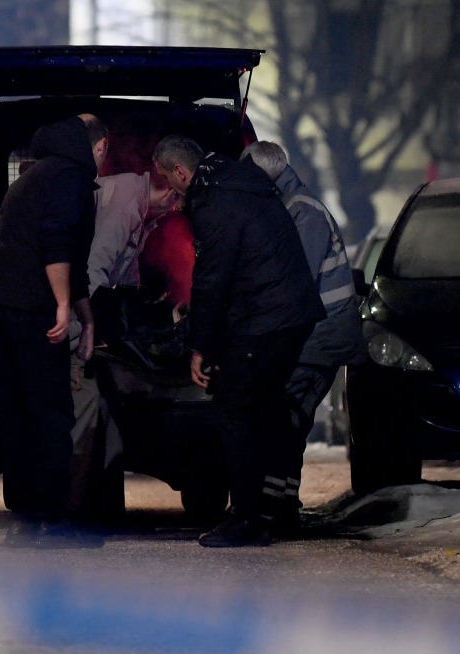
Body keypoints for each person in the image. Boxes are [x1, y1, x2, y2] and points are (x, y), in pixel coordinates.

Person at [151, 135, 326, 547]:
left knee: (234, 409)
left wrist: (200, 346)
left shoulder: (216, 203)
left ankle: (247, 519)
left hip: (268, 319)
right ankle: (264, 512)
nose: (167, 191)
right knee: (261, 410)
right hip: (290, 316)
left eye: (166, 180)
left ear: (181, 172)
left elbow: (214, 278)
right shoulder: (236, 183)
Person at [0, 114, 107, 547]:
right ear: (98, 148)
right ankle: (53, 521)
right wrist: (64, 305)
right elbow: (56, 245)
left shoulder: (32, 178)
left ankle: (25, 519)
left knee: (15, 412)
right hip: (30, 309)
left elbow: (74, 261)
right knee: (51, 412)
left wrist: (87, 320)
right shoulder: (69, 179)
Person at [241, 141, 366, 532]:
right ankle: (281, 502)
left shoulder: (303, 213)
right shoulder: (293, 206)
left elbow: (296, 281)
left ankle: (275, 506)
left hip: (320, 337)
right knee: (289, 420)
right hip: (317, 335)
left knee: (286, 418)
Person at [68, 170, 178, 522]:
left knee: (106, 411)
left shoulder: (142, 208)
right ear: (166, 187)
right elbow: (95, 272)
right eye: (176, 199)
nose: (176, 209)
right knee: (88, 413)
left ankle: (103, 505)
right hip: (79, 322)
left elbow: (124, 274)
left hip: (88, 319)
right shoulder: (125, 206)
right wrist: (100, 328)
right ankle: (78, 511)